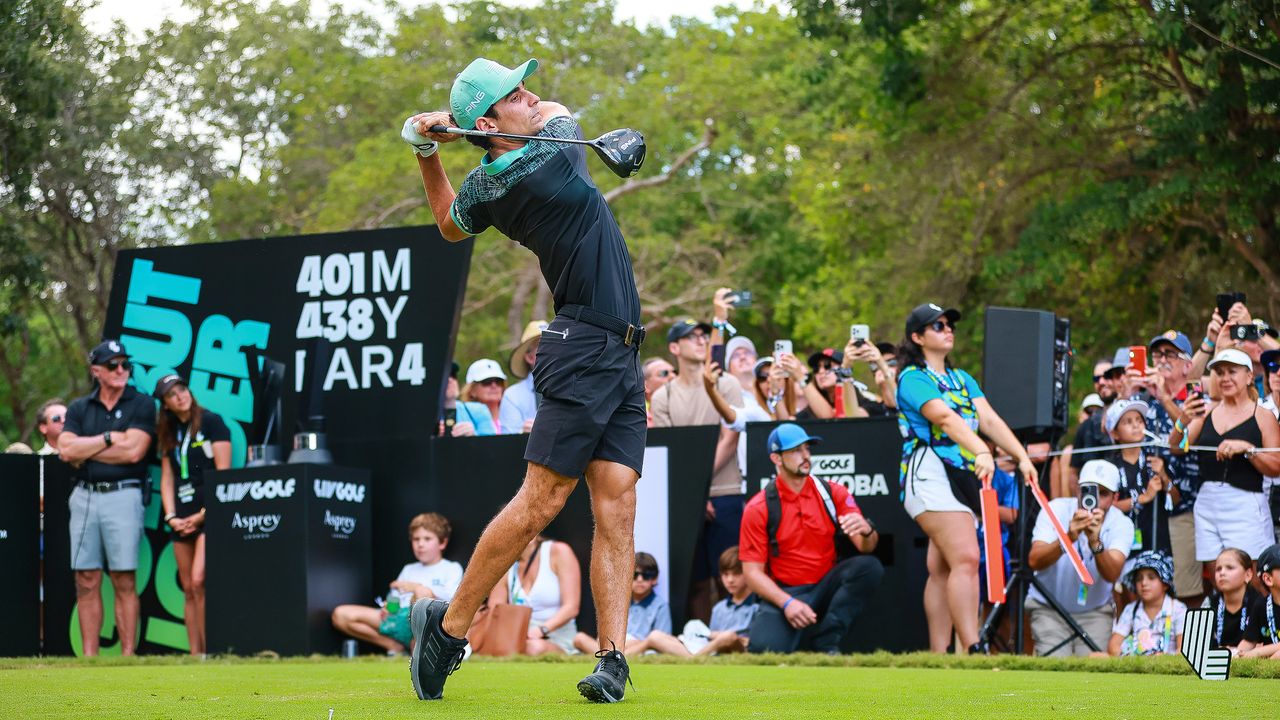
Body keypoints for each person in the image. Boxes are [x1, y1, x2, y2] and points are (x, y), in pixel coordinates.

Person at [404, 57, 647, 702]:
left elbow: (450, 224)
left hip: (619, 350)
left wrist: (432, 149)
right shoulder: (551, 163)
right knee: (541, 501)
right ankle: (450, 628)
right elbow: (559, 111)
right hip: (584, 343)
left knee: (617, 503)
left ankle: (612, 658)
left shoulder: (491, 182)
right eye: (514, 93)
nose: (530, 94)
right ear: (490, 118)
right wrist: (458, 134)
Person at [894, 303, 1037, 654]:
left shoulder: (962, 379)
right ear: (918, 337)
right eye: (938, 326)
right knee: (968, 557)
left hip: (960, 476)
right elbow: (944, 419)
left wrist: (1021, 456)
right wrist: (983, 451)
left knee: (942, 567)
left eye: (949, 325)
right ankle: (973, 648)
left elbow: (988, 420)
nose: (948, 330)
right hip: (927, 472)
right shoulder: (912, 377)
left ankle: (940, 655)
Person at [739, 424, 884, 654]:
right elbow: (752, 573)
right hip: (787, 591)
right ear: (776, 458)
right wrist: (787, 603)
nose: (806, 456)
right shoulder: (758, 507)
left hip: (827, 584)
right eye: (796, 451)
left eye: (807, 448)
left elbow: (866, 547)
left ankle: (826, 642)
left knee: (869, 567)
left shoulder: (832, 492)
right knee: (763, 651)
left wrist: (867, 530)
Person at [57, 339, 156, 656]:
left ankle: (128, 655)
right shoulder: (79, 408)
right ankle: (90, 657)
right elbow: (66, 449)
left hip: (124, 495)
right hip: (85, 496)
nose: (121, 370)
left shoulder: (141, 403)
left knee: (124, 577)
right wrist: (111, 438)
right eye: (113, 365)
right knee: (85, 578)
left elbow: (135, 451)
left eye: (126, 364)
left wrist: (89, 449)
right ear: (96, 370)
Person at [651, 317, 744, 621]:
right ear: (674, 347)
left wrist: (699, 488)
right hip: (687, 499)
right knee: (696, 580)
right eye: (692, 337)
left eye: (704, 335)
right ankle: (701, 642)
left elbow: (730, 438)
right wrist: (693, 495)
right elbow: (670, 450)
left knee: (731, 573)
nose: (702, 340)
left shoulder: (727, 384)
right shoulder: (663, 395)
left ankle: (736, 637)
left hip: (725, 493)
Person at [1171, 349, 1280, 564]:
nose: (1225, 378)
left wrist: (1248, 450)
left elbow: (1276, 466)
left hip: (1246, 504)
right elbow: (1178, 447)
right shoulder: (1206, 411)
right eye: (1219, 373)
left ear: (1249, 376)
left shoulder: (1263, 415)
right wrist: (1182, 420)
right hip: (1207, 503)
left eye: (1232, 371)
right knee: (1217, 575)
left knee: (1253, 575)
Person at [154, 374, 232, 656]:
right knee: (188, 586)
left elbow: (224, 474)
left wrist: (204, 514)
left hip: (208, 512)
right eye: (172, 394)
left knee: (200, 580)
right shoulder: (167, 431)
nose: (180, 396)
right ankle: (194, 654)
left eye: (182, 389)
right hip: (180, 515)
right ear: (165, 404)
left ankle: (210, 651)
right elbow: (166, 478)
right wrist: (171, 516)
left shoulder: (212, 422)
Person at [1026, 460, 1133, 657]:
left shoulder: (1122, 523)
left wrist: (1096, 543)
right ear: (1077, 489)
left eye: (1103, 493)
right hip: (1049, 609)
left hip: (1095, 613)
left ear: (1115, 497)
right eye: (1089, 490)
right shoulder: (1055, 509)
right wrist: (1068, 538)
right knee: (1054, 672)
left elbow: (1113, 574)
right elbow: (1034, 560)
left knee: (1093, 677)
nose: (1095, 499)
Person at [333, 513, 464, 655]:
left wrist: (416, 588)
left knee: (422, 593)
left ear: (442, 543)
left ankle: (417, 648)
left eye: (427, 539)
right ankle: (394, 647)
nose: (420, 544)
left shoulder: (452, 568)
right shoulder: (409, 569)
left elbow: (453, 599)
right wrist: (388, 607)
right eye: (416, 539)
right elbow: (395, 598)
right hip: (399, 619)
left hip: (430, 625)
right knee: (340, 615)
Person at [1145, 330, 1204, 603]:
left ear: (1187, 365)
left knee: (1185, 584)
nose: (1162, 360)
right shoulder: (1144, 400)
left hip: (1184, 505)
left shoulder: (1196, 398)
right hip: (1146, 505)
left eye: (1170, 354)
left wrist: (1166, 397)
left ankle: (1188, 645)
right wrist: (1127, 391)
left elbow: (1181, 441)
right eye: (1158, 354)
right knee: (1144, 580)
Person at [1103, 399, 1173, 567]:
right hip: (1121, 545)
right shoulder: (1109, 467)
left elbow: (1175, 499)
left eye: (1139, 420)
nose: (1136, 425)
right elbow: (1104, 507)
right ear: (1114, 433)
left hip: (1157, 541)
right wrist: (1142, 498)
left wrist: (1163, 476)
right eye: (1128, 422)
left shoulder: (1156, 459)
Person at [491, 535, 581, 655]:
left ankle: (578, 649)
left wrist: (540, 630)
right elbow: (495, 610)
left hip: (559, 638)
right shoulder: (505, 563)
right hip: (519, 638)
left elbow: (571, 607)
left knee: (534, 647)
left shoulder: (558, 551)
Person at [576, 552, 676, 656]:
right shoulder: (617, 603)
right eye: (634, 575)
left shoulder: (660, 606)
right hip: (615, 645)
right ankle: (613, 657)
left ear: (654, 579)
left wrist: (640, 643)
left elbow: (662, 640)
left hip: (641, 649)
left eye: (646, 576)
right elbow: (604, 637)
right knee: (580, 638)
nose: (640, 580)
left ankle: (611, 658)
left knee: (651, 646)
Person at [1104, 550, 1186, 657]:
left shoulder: (1178, 609)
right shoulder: (1131, 609)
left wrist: (1164, 659)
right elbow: (1113, 646)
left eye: (1151, 578)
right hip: (1135, 666)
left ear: (1165, 584)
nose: (1144, 583)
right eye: (1139, 579)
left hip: (1166, 667)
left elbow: (1183, 650)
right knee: (1095, 656)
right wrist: (1130, 658)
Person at [1201, 547, 1260, 652]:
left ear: (1248, 574)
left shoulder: (1259, 603)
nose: (1222, 573)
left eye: (1230, 567)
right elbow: (1201, 643)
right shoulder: (1209, 603)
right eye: (1218, 569)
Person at [499, 320, 548, 434]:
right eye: (542, 345)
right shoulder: (512, 396)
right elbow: (508, 441)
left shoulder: (573, 386)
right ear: (529, 358)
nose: (551, 350)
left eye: (554, 344)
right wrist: (523, 433)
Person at [1237, 543, 1280, 658]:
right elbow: (1248, 642)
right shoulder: (1261, 605)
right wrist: (1238, 655)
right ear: (1268, 579)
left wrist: (1257, 652)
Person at [457, 359, 506, 435]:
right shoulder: (462, 417)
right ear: (472, 390)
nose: (494, 385)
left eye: (498, 381)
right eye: (487, 382)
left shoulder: (513, 414)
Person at [641, 357, 675, 426]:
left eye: (675, 372)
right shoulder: (637, 421)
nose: (673, 376)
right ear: (645, 385)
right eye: (664, 373)